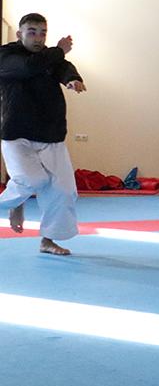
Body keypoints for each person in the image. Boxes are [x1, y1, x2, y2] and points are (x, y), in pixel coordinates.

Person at [0, 13, 86, 255]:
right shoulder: (7, 55)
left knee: (64, 191)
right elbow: (29, 68)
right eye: (32, 32)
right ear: (20, 34)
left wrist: (72, 79)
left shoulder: (51, 58)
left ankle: (48, 240)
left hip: (50, 133)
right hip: (17, 134)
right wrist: (59, 50)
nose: (38, 38)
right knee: (32, 180)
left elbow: (64, 67)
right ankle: (15, 201)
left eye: (43, 33)